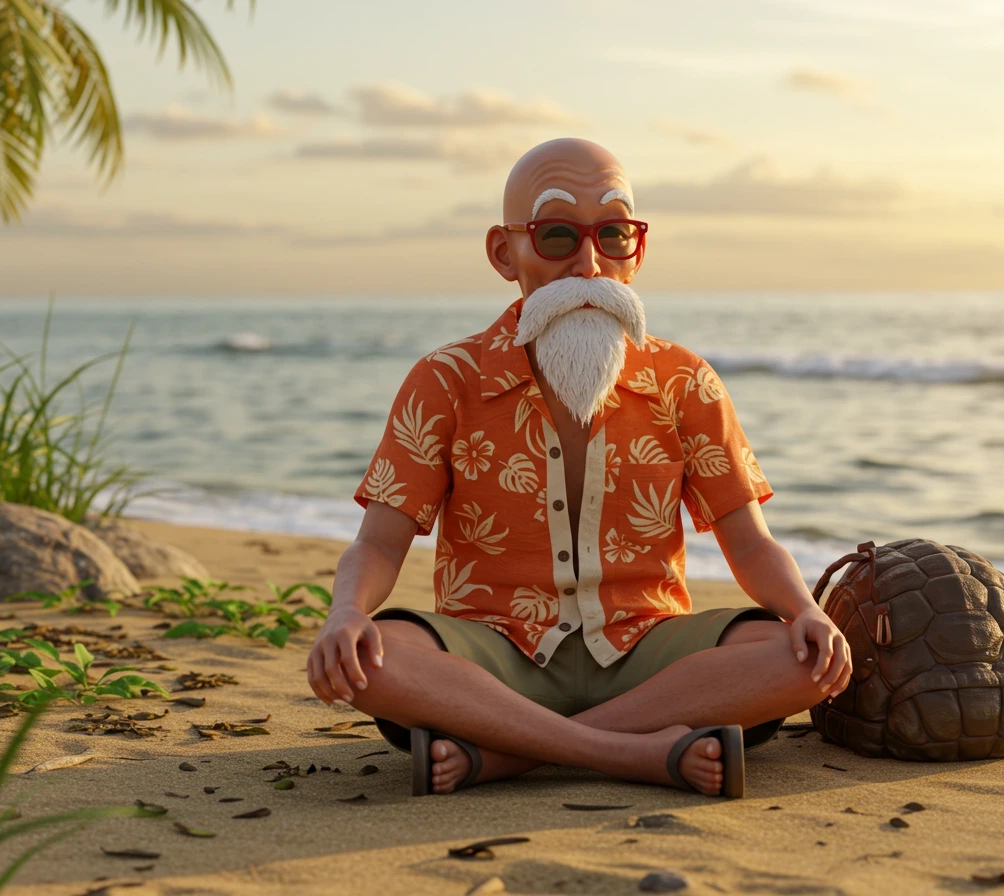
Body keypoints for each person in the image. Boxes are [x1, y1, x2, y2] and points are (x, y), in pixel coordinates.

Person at [306, 137, 851, 798]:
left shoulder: (685, 381)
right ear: (504, 253)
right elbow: (379, 543)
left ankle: (506, 754)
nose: (589, 264)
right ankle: (634, 752)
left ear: (637, 251)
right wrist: (345, 615)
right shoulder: (447, 379)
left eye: (613, 234)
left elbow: (750, 541)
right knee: (373, 656)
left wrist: (805, 611)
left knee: (798, 656)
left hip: (649, 656)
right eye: (557, 234)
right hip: (492, 656)